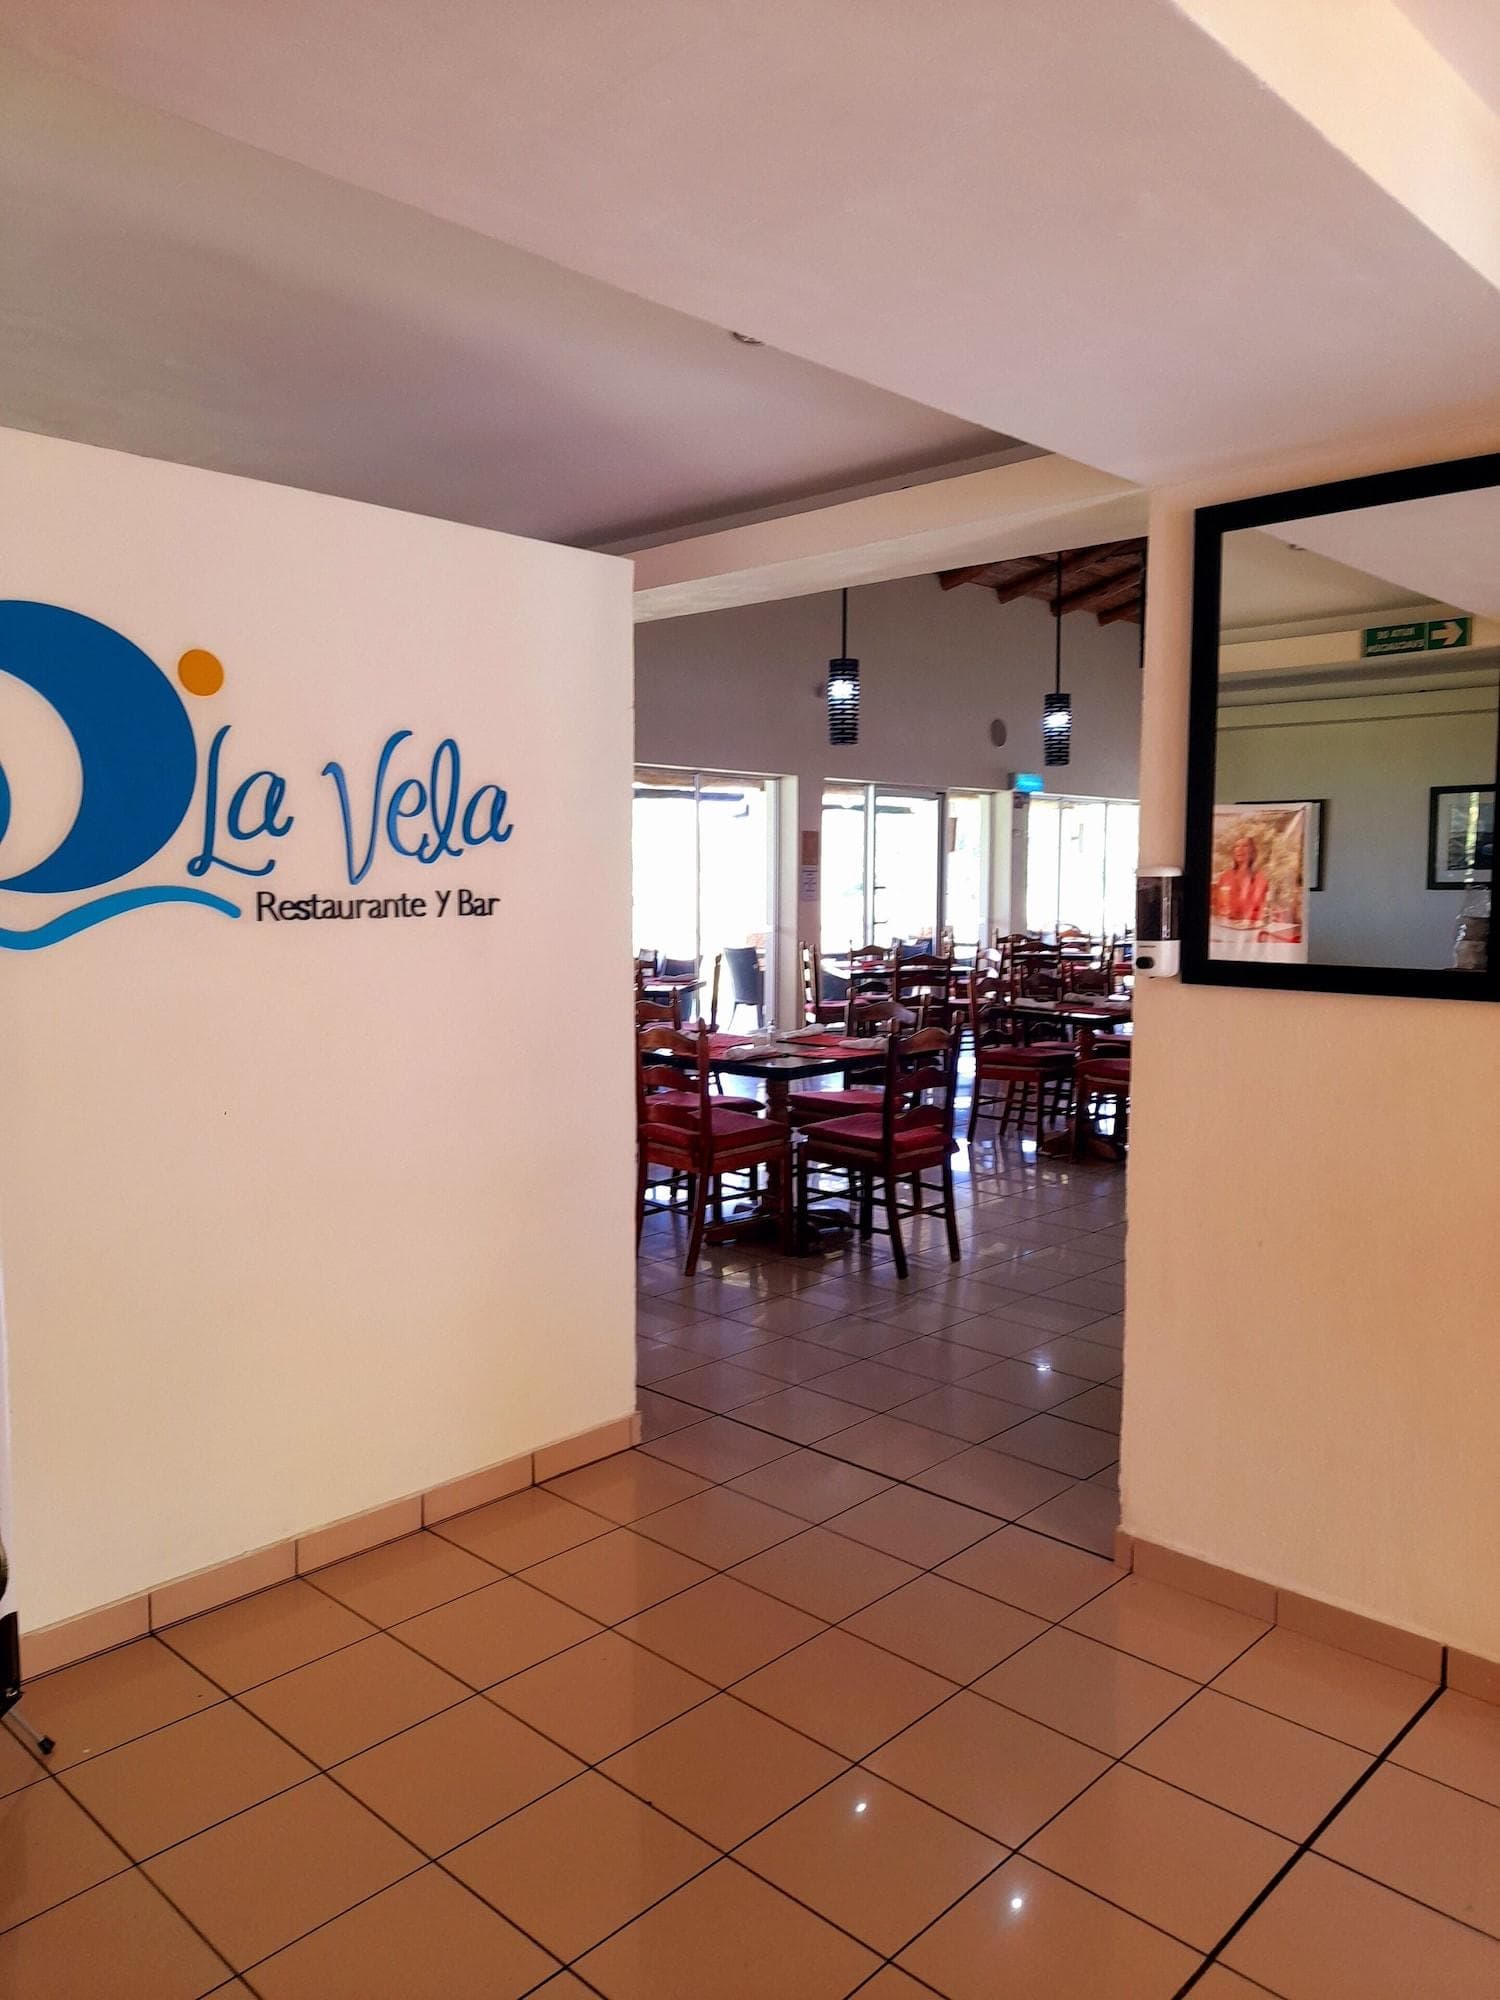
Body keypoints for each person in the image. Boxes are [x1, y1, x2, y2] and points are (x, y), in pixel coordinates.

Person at [1212, 835, 1270, 929]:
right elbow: (1217, 907)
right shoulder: (1225, 876)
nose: (1240, 849)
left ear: (1252, 852)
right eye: (1237, 846)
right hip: (1226, 927)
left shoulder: (1260, 878)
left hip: (1250, 930)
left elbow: (1261, 910)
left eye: (1245, 846)